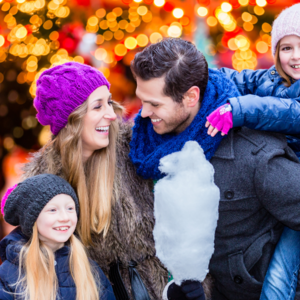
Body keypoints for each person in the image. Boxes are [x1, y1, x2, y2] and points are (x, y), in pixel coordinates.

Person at [129, 37, 300, 300]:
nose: (142, 113)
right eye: (142, 100)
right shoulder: (141, 144)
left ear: (191, 97)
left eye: (155, 104)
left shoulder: (255, 155)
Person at [21, 62, 207, 300]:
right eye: (97, 106)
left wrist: (189, 277)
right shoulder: (44, 180)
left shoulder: (138, 145)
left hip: (167, 288)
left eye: (109, 102)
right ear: (72, 119)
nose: (111, 114)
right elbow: (31, 249)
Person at [205, 4, 300, 299]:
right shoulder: (271, 78)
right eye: (287, 47)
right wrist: (195, 72)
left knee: (280, 275)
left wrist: (239, 108)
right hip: (280, 181)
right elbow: (237, 79)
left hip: (294, 193)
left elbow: (288, 113)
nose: (295, 56)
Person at [0, 173, 115, 300]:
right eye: (53, 210)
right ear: (32, 220)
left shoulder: (89, 268)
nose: (65, 217)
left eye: (70, 208)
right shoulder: (8, 274)